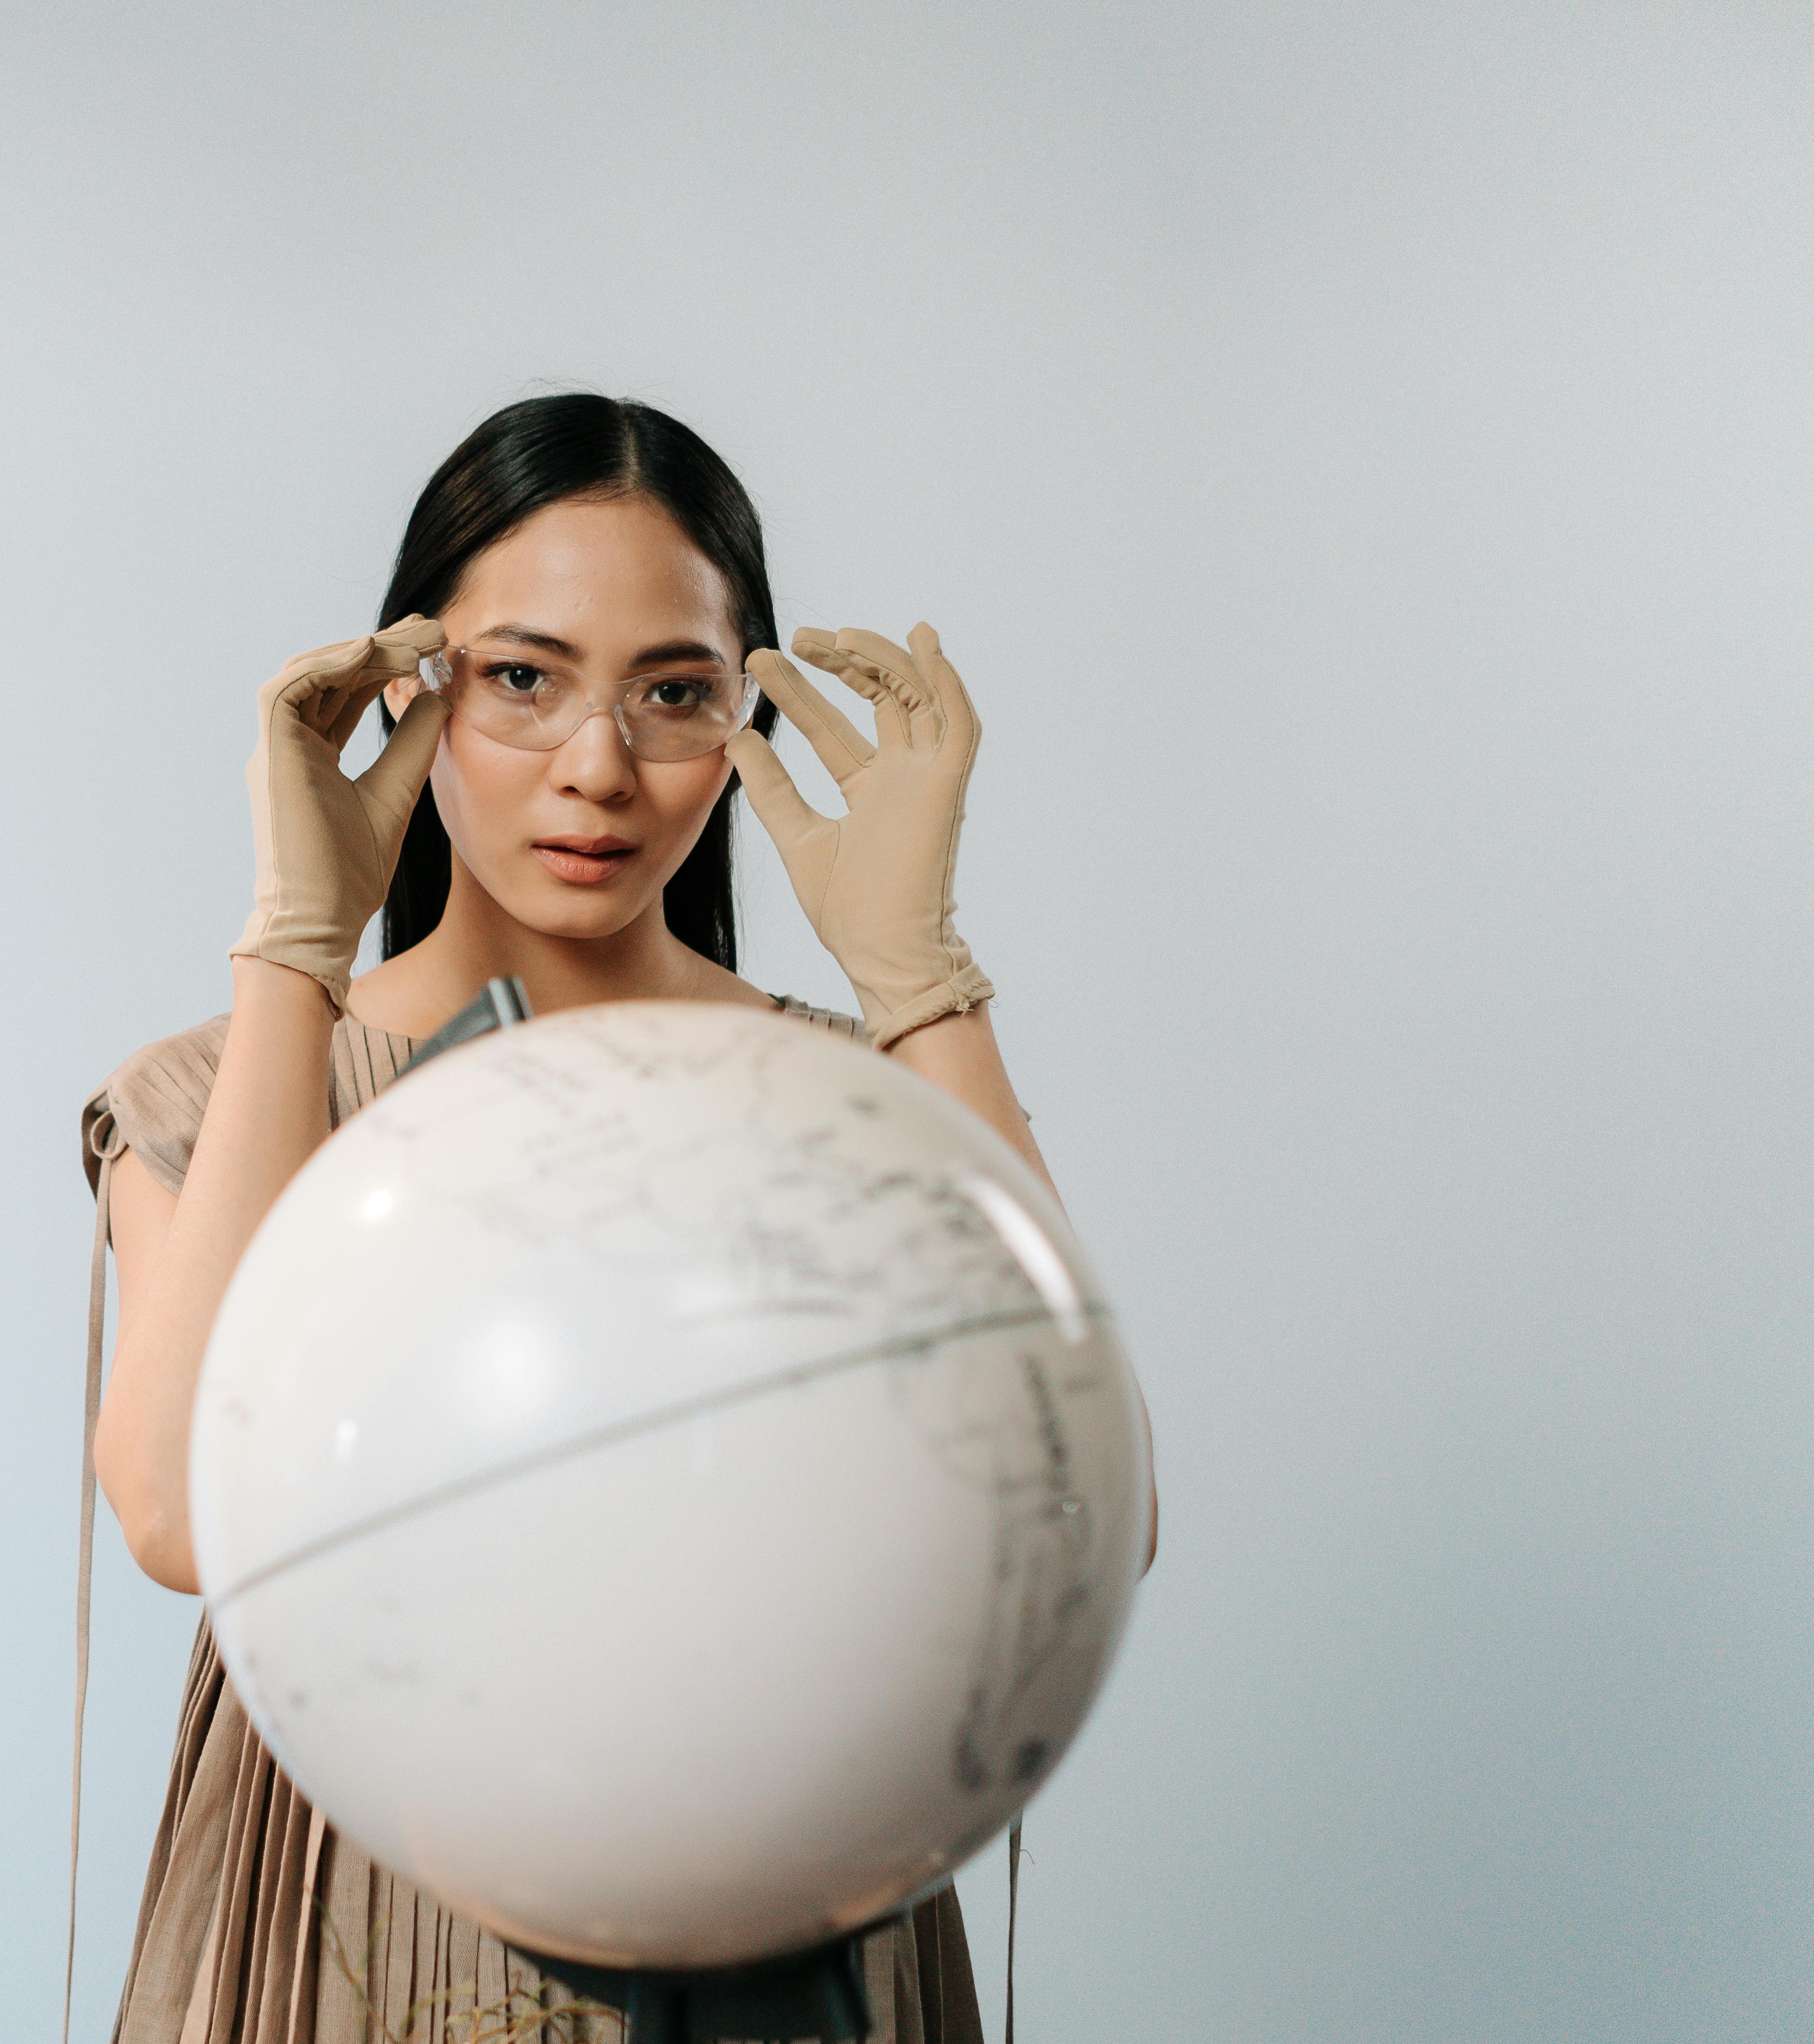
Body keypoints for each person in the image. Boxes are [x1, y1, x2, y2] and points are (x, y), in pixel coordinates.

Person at [76, 393, 1144, 2044]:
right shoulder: (227, 1086)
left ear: (742, 717)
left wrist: (917, 983)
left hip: (775, 1887)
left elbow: (1087, 1522)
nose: (598, 766)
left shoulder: (834, 1095)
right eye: (521, 678)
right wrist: (298, 944)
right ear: (414, 690)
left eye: (672, 693)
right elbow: (179, 1514)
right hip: (363, 1907)